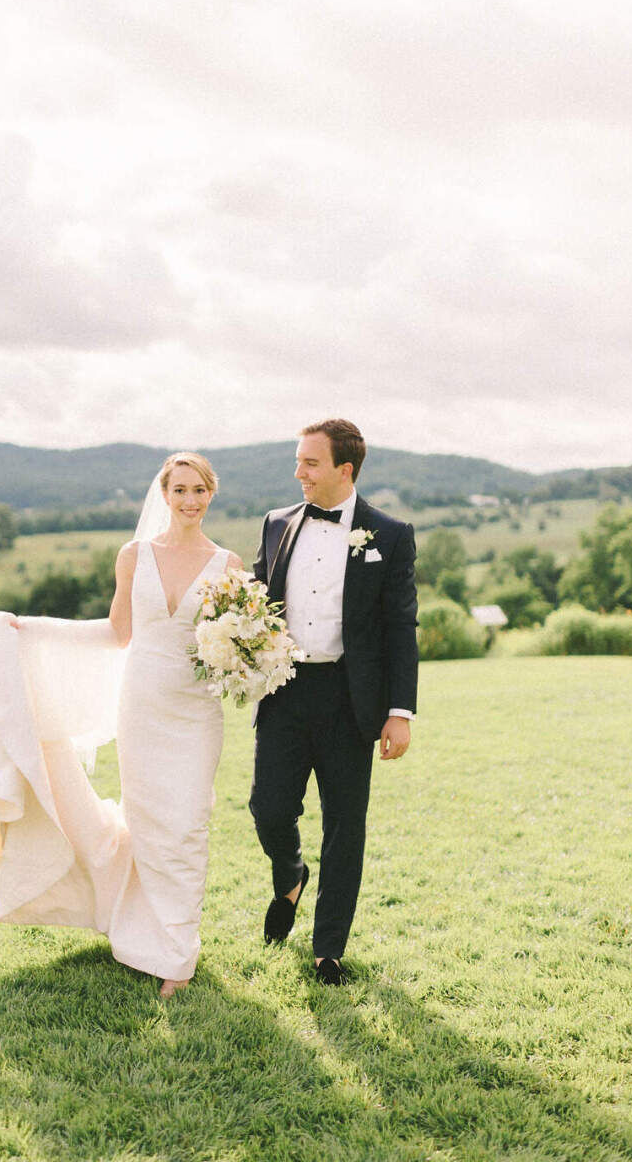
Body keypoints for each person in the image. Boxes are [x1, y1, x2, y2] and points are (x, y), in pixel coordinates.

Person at [0, 451, 241, 1000]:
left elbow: (238, 641)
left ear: (211, 495)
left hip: (195, 712)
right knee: (148, 823)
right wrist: (34, 629)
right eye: (180, 490)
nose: (189, 500)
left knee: (188, 824)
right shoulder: (134, 555)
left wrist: (249, 657)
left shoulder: (229, 565)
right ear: (165, 495)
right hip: (140, 706)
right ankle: (154, 937)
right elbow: (117, 632)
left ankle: (178, 954)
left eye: (199, 490)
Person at [249, 419, 419, 986]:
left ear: (345, 471)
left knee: (346, 824)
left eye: (310, 464)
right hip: (285, 691)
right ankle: (290, 874)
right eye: (298, 461)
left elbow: (400, 629)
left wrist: (400, 711)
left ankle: (328, 950)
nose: (298, 473)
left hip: (352, 700)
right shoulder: (276, 525)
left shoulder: (390, 536)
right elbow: (255, 604)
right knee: (268, 808)